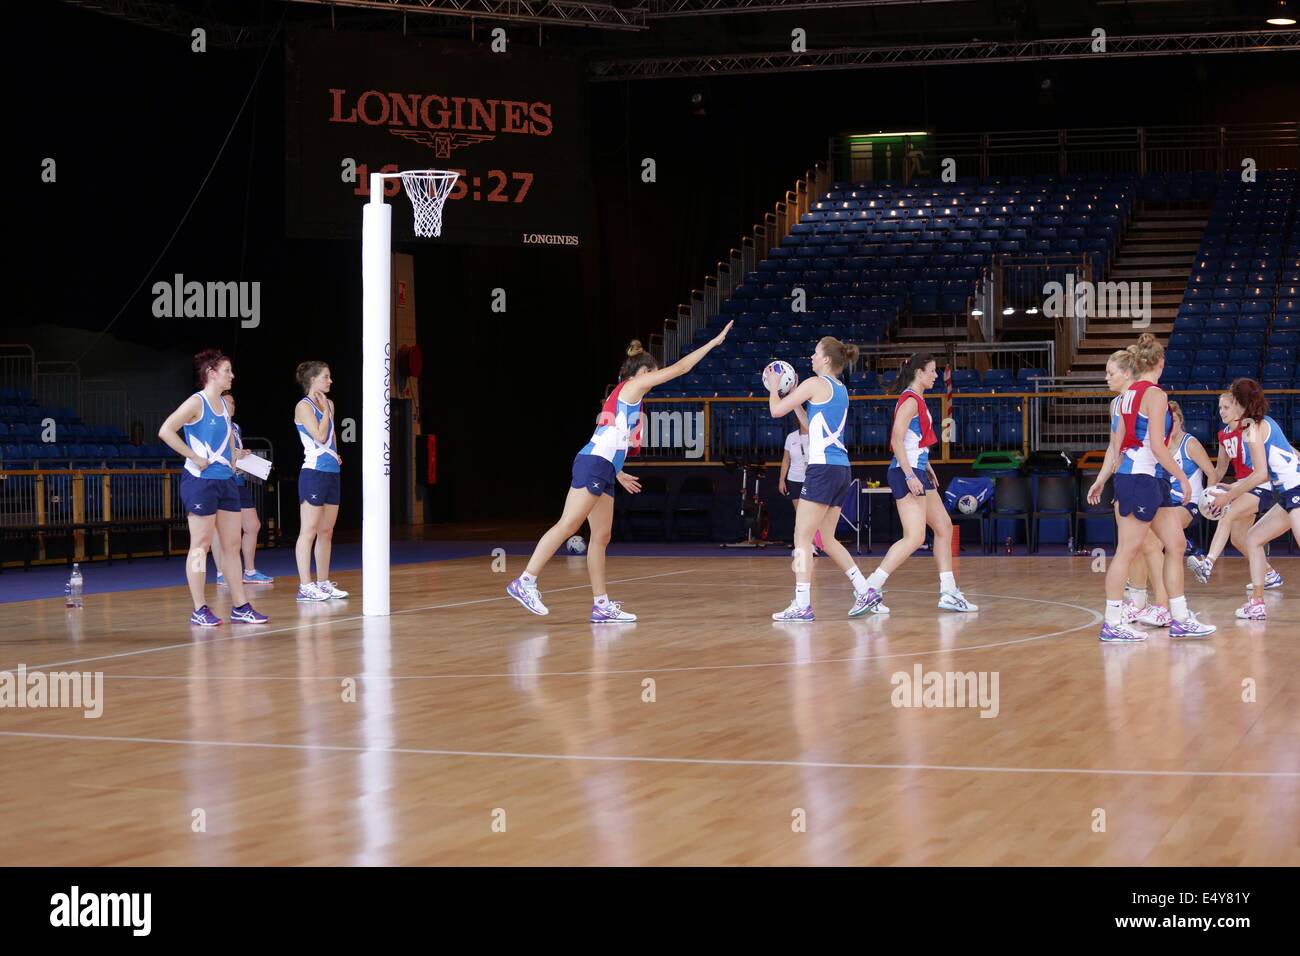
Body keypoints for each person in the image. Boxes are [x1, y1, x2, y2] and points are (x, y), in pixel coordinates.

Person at [507, 326, 733, 622]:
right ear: (644, 372)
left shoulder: (626, 397)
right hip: (593, 464)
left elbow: (609, 436)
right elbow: (681, 367)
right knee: (569, 524)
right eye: (654, 373)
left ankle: (601, 604)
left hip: (604, 467)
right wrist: (714, 343)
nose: (655, 378)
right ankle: (526, 580)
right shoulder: (632, 387)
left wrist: (619, 471)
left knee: (601, 536)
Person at [1087, 333, 1215, 641]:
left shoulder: (1121, 400)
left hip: (1144, 479)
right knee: (1128, 551)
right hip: (1141, 479)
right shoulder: (1155, 395)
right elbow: (1158, 447)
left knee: (1176, 545)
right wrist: (1183, 478)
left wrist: (1103, 478)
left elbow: (1116, 447)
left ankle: (1180, 617)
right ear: (1160, 363)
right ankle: (1113, 622)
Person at [853, 353, 978, 617]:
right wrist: (911, 475)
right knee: (915, 537)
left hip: (917, 470)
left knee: (944, 527)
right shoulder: (910, 400)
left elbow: (914, 441)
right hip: (905, 472)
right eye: (932, 371)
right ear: (919, 373)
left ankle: (948, 592)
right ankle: (870, 588)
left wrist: (926, 467)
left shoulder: (918, 399)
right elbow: (897, 440)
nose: (935, 376)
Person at [157, 349, 268, 626]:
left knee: (231, 546)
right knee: (200, 546)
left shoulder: (223, 405)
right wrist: (193, 457)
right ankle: (199, 608)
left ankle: (241, 606)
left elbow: (228, 438)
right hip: (200, 483)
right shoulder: (197, 402)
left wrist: (232, 462)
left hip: (225, 482)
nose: (232, 375)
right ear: (212, 373)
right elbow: (166, 430)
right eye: (228, 370)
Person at [1205, 378, 1300, 621]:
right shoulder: (1260, 424)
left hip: (1296, 490)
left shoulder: (1253, 429)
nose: (1227, 407)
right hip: (1286, 494)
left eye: (1231, 402)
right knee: (1254, 538)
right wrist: (1234, 486)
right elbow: (1287, 456)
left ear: (1240, 403)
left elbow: (1259, 474)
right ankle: (1257, 603)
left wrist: (1229, 495)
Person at [1187, 390, 1283, 590]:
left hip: (1261, 484)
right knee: (1239, 539)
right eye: (1220, 407)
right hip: (1242, 486)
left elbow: (1263, 466)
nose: (1221, 411)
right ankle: (1270, 574)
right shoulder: (1223, 435)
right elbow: (1220, 469)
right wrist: (1207, 492)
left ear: (1238, 407)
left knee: (1227, 515)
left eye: (1226, 407)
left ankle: (1208, 564)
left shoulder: (1249, 428)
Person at [294, 361, 348, 602]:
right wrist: (326, 411)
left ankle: (323, 582)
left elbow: (331, 436)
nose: (330, 381)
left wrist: (335, 454)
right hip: (313, 473)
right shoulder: (303, 406)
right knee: (309, 531)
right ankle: (305, 585)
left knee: (326, 531)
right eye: (326, 377)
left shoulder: (331, 404)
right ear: (313, 379)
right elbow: (319, 435)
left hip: (330, 472)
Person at [213, 392, 273, 588]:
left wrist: (242, 454)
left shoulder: (236, 427)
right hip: (222, 479)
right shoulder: (215, 423)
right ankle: (221, 572)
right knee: (220, 528)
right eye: (228, 402)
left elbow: (234, 450)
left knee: (252, 525)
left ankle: (249, 571)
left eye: (234, 402)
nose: (232, 405)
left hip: (238, 479)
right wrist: (233, 456)